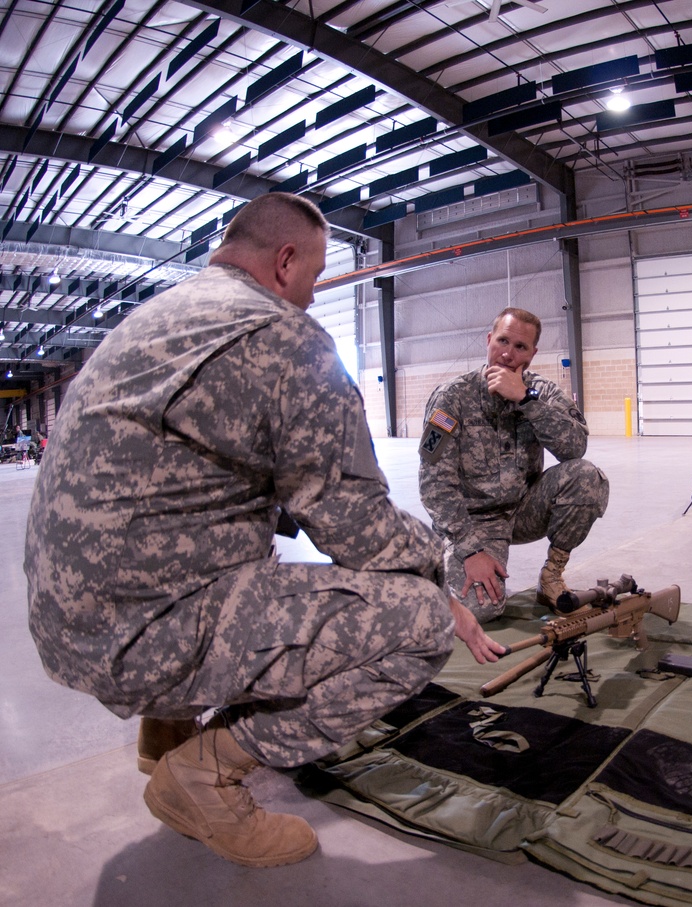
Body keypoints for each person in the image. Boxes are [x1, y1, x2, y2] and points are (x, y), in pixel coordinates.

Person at [23, 192, 504, 869]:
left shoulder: (158, 315)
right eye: (310, 279)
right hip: (137, 638)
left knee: (245, 533)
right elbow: (353, 522)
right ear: (284, 262)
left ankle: (166, 730)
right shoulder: (283, 334)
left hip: (67, 622)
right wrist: (439, 575)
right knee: (419, 623)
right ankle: (205, 776)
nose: (309, 298)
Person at [418, 307, 609, 622]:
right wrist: (470, 549)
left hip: (524, 509)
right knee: (480, 611)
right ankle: (435, 573)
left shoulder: (540, 392)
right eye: (502, 341)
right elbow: (433, 483)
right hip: (474, 522)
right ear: (489, 340)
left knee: (587, 478)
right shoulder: (451, 398)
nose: (507, 354)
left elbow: (575, 447)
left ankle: (551, 577)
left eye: (520, 347)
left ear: (532, 354)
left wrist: (526, 401)